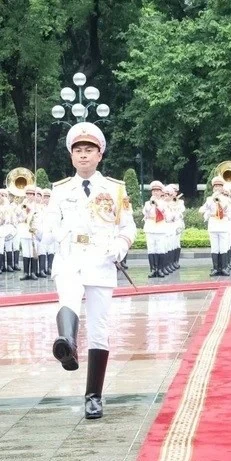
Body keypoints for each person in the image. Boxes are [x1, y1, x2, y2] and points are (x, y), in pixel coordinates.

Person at [41, 122, 136, 419]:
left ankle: (93, 395)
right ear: (71, 156)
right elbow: (49, 224)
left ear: (99, 155)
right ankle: (67, 345)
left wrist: (119, 247)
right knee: (67, 299)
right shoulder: (60, 190)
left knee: (99, 329)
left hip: (101, 260)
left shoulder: (115, 189)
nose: (83, 155)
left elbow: (128, 227)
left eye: (89, 150)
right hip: (70, 257)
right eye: (78, 150)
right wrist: (46, 231)